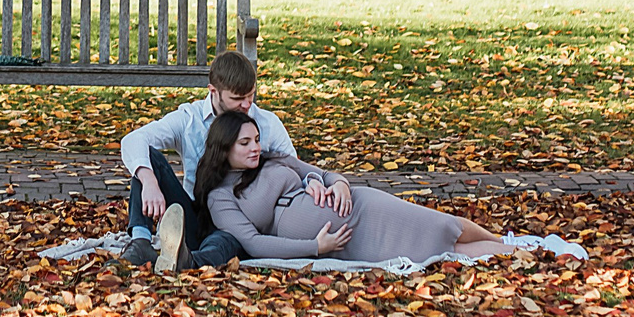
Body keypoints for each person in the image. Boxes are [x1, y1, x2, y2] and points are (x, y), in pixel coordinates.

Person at [117, 48, 344, 271]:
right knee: (146, 159)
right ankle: (141, 243)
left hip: (240, 221)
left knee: (223, 244)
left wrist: (312, 180)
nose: (247, 105)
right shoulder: (189, 119)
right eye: (237, 98)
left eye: (251, 95)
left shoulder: (268, 123)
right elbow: (133, 140)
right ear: (213, 91)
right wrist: (149, 181)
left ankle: (188, 259)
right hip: (197, 214)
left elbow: (292, 170)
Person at [196, 109, 506, 264]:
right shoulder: (220, 197)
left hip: (361, 206)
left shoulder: (272, 158)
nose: (255, 148)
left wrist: (341, 184)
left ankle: (509, 245)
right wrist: (317, 247)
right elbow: (254, 244)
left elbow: (325, 173)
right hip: (346, 241)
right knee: (438, 251)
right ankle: (510, 252)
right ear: (223, 148)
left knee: (440, 226)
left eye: (257, 140)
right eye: (245, 143)